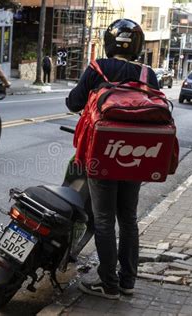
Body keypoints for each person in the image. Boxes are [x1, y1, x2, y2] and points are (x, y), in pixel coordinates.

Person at [66, 19, 159, 300]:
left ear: (108, 42)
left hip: (101, 156)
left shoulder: (97, 69)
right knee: (128, 218)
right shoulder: (147, 73)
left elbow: (73, 103)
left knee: (104, 219)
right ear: (138, 46)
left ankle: (108, 285)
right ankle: (127, 281)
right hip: (136, 157)